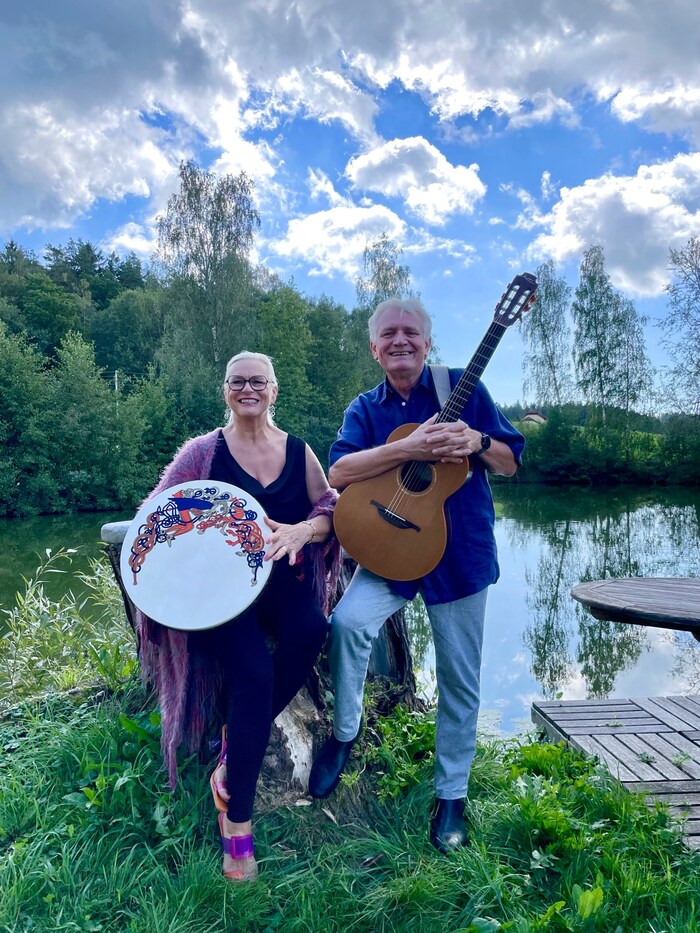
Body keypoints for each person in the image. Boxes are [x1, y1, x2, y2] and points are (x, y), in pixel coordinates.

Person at [308, 298, 524, 853]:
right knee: (348, 624)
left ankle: (451, 795)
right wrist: (407, 447)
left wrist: (475, 442)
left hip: (460, 556)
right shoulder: (366, 407)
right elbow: (338, 470)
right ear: (374, 348)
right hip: (391, 549)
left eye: (411, 333)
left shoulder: (464, 389)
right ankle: (344, 734)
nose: (400, 341)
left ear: (427, 344)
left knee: (458, 679)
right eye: (388, 334)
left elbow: (510, 462)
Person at [137, 351, 339, 882]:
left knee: (312, 628)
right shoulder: (202, 452)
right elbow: (156, 516)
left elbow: (330, 510)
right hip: (220, 597)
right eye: (237, 381)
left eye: (258, 381)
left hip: (281, 583)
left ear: (274, 390)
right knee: (252, 674)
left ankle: (233, 741)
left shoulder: (299, 452)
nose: (248, 388)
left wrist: (301, 532)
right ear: (225, 390)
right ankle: (238, 831)